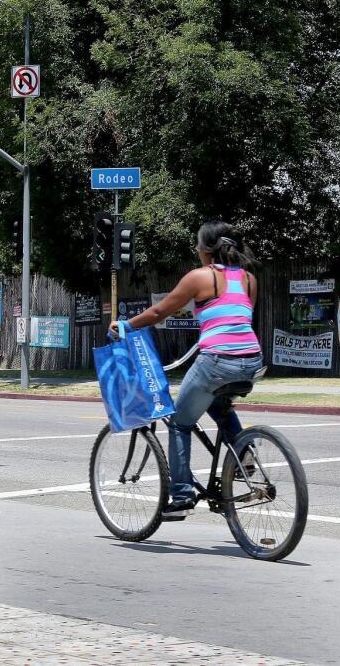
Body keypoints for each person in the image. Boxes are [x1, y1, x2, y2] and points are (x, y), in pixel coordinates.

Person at [108, 221, 263, 521]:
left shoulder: (199, 277)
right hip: (251, 360)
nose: (196, 250)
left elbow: (158, 312)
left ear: (206, 250)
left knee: (180, 423)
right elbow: (238, 319)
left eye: (197, 245)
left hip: (218, 360)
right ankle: (245, 454)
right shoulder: (248, 279)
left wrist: (125, 326)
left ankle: (181, 496)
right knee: (219, 404)